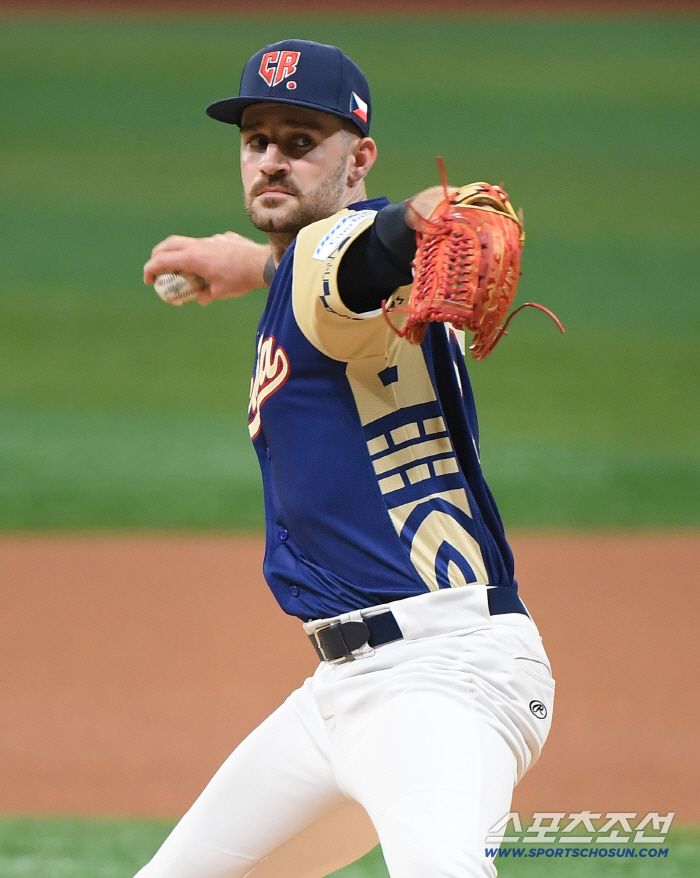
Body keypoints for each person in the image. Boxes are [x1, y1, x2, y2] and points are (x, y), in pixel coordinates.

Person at [140, 39, 554, 878]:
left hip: (438, 680)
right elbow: (333, 290)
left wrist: (430, 212)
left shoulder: (347, 241)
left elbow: (375, 249)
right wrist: (256, 264)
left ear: (360, 158)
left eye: (302, 142)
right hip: (340, 697)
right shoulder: (305, 270)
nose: (271, 161)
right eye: (257, 140)